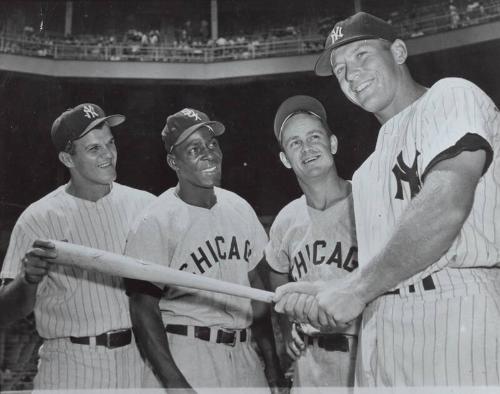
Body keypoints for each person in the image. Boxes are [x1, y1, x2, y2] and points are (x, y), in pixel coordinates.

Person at [274, 11, 500, 386]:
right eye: (341, 69)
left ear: (397, 51)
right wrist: (331, 292)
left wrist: (356, 289)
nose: (351, 74)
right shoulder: (365, 173)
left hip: (456, 310)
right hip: (381, 327)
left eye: (361, 55)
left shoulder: (450, 96)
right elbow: (382, 267)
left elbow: (447, 204)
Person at [125, 108, 283, 391]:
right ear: (174, 161)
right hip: (189, 351)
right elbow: (142, 310)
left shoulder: (239, 207)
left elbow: (257, 292)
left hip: (244, 353)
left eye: (212, 144)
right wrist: (174, 383)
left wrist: (272, 366)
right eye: (194, 149)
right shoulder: (155, 220)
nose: (208, 153)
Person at [0, 103, 156, 389]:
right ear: (67, 158)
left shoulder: (146, 206)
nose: (108, 155)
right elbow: (5, 312)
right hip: (71, 365)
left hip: (139, 361)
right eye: (94, 149)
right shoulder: (38, 218)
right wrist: (28, 279)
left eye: (110, 143)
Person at [263, 95, 358, 391]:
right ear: (284, 159)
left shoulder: (368, 201)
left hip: (365, 352)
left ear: (333, 143)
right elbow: (277, 286)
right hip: (310, 363)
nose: (306, 149)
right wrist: (288, 326)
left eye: (314, 137)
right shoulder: (286, 220)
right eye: (295, 143)